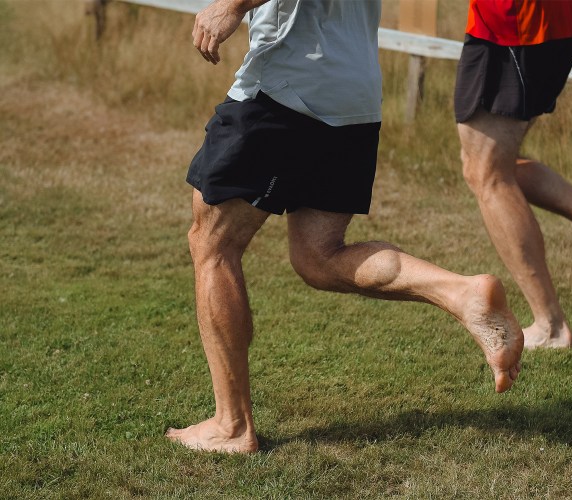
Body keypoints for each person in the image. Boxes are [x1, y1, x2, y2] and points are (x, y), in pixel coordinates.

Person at [165, 0, 524, 453]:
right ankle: (461, 292)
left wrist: (230, 6)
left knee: (213, 244)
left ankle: (231, 424)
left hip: (286, 86)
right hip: (354, 96)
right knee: (319, 256)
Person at [454, 0, 572, 349]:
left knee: (488, 173)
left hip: (511, 21)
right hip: (557, 20)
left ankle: (551, 326)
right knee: (488, 167)